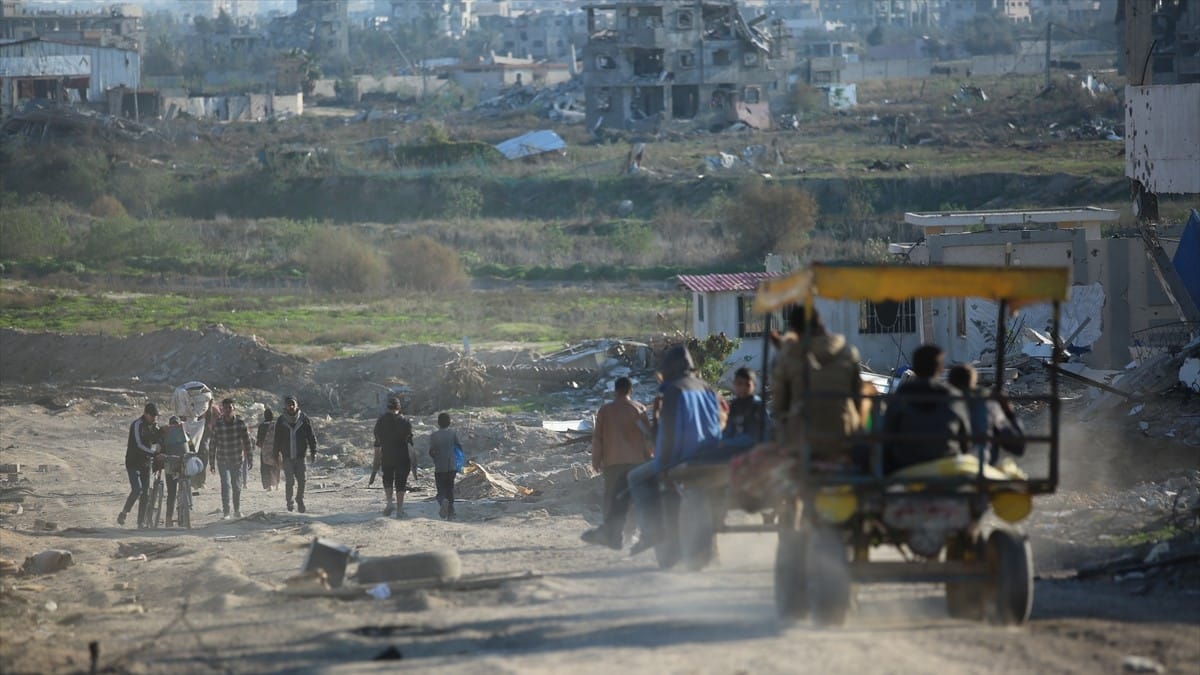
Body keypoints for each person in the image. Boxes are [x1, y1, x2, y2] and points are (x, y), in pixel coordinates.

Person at [627, 345, 724, 555]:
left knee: (636, 478)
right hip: (712, 455)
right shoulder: (706, 387)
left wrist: (664, 464)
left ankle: (650, 531)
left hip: (683, 458)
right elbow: (717, 423)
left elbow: (668, 432)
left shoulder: (672, 390)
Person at [771, 305, 863, 464]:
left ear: (795, 330)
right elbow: (858, 397)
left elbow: (779, 406)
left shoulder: (788, 357)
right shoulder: (848, 352)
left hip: (803, 440)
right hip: (845, 436)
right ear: (821, 323)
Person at [581, 377, 653, 550]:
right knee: (634, 498)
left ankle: (613, 533)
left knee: (612, 497)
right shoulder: (639, 409)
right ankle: (630, 533)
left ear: (616, 391)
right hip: (636, 462)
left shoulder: (605, 410)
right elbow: (648, 438)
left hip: (613, 463)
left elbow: (597, 438)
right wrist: (649, 458)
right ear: (630, 391)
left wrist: (596, 460)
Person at [882, 344, 971, 473]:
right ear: (940, 369)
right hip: (946, 463)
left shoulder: (902, 394)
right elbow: (965, 440)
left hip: (907, 465)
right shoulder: (953, 396)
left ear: (915, 368)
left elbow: (888, 435)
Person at [946, 363, 1025, 466]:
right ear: (973, 382)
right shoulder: (989, 406)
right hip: (979, 469)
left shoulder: (937, 403)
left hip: (943, 468)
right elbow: (1018, 447)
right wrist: (1008, 411)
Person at [208, 398, 253, 520]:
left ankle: (237, 510)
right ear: (222, 409)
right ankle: (226, 512)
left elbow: (247, 442)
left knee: (236, 486)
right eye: (225, 408)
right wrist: (211, 463)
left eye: (230, 408)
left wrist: (250, 457)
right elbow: (212, 444)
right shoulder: (218, 424)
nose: (227, 410)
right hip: (222, 460)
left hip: (237, 460)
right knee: (225, 485)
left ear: (233, 409)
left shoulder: (240, 423)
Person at [119, 403, 162, 528]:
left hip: (145, 463)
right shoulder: (137, 424)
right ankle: (124, 512)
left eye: (156, 416)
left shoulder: (153, 425)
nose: (154, 418)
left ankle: (140, 522)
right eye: (153, 416)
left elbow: (155, 440)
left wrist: (160, 432)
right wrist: (154, 454)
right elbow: (138, 445)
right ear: (146, 414)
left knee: (145, 494)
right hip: (133, 462)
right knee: (137, 489)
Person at [372, 397, 416, 517]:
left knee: (388, 479)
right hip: (402, 456)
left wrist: (376, 460)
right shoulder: (405, 421)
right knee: (401, 483)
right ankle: (400, 509)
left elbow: (377, 441)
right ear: (399, 407)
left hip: (387, 455)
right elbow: (410, 441)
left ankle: (390, 503)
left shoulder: (381, 421)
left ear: (388, 407)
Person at [274, 395, 317, 513]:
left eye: (293, 404)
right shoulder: (281, 420)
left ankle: (300, 499)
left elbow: (311, 436)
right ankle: (289, 502)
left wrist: (314, 451)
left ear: (297, 405)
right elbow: (276, 439)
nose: (291, 406)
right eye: (289, 404)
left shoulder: (303, 419)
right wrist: (275, 455)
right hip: (287, 457)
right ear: (285, 406)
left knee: (302, 480)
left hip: (300, 456)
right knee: (290, 481)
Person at [160, 415, 193, 527]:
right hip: (183, 463)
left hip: (171, 465)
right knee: (186, 482)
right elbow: (192, 447)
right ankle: (188, 505)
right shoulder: (186, 434)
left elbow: (161, 450)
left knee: (171, 493)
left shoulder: (166, 434)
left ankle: (168, 519)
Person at [428, 412, 462, 520]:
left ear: (438, 423)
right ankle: (451, 513)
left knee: (441, 490)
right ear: (450, 423)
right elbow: (459, 448)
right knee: (450, 489)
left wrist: (435, 458)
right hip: (451, 466)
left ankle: (443, 501)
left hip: (440, 467)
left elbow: (432, 452)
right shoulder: (453, 434)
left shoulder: (434, 436)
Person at [256, 408, 280, 491]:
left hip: (265, 450)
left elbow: (258, 440)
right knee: (276, 466)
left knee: (265, 467)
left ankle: (268, 486)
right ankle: (276, 484)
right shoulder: (276, 425)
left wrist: (261, 445)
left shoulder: (262, 426)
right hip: (275, 449)